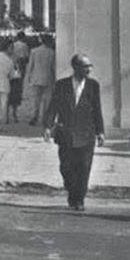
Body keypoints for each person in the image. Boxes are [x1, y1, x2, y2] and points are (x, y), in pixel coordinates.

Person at [43, 54, 104, 211]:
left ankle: (79, 200)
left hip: (86, 133)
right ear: (75, 67)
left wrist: (100, 132)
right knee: (66, 167)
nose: (89, 69)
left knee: (84, 167)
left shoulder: (93, 85)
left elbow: (97, 109)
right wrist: (48, 126)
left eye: (90, 66)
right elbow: (53, 106)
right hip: (66, 132)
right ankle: (71, 190)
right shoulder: (61, 85)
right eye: (85, 66)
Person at [26, 34, 56, 126]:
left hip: (35, 78)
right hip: (48, 78)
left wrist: (28, 77)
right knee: (47, 99)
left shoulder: (34, 51)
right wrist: (55, 78)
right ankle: (44, 118)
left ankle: (34, 116)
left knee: (35, 99)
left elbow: (30, 65)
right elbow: (53, 67)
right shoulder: (51, 52)